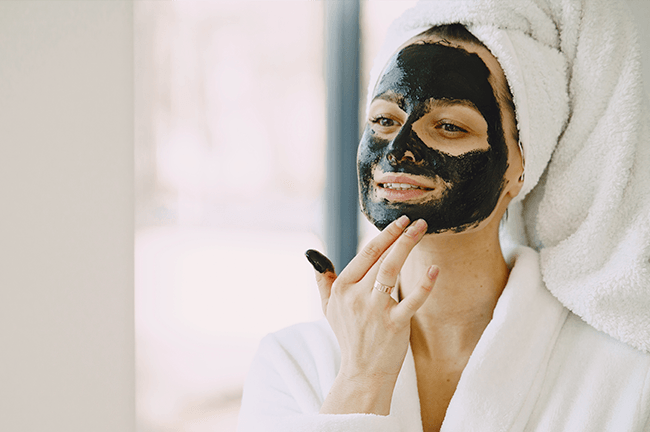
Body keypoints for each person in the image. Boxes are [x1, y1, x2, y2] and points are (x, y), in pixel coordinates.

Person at [238, 1, 650, 431]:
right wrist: (362, 378)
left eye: (450, 126)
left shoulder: (626, 379)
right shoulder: (292, 364)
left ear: (519, 166)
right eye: (383, 119)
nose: (398, 150)